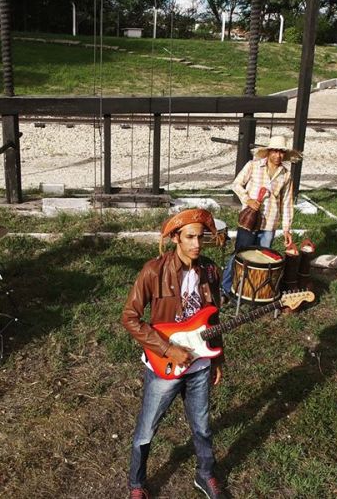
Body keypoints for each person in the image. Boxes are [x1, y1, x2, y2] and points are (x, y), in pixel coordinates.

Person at [121, 208, 227, 499]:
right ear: (175, 238)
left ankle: (205, 475)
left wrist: (217, 358)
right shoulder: (154, 271)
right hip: (164, 365)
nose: (196, 244)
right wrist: (168, 349)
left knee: (203, 427)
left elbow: (213, 320)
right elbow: (130, 317)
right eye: (189, 237)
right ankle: (137, 484)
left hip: (200, 365)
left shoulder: (210, 271)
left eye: (200, 237)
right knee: (146, 432)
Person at [221, 134, 302, 297]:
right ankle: (225, 288)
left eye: (281, 152)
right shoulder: (253, 166)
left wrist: (287, 229)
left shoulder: (286, 174)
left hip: (269, 223)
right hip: (249, 220)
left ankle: (250, 289)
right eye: (275, 151)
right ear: (269, 152)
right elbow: (236, 184)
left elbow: (286, 202)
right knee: (239, 254)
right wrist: (247, 199)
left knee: (261, 258)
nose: (278, 155)